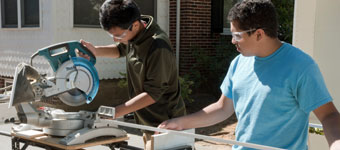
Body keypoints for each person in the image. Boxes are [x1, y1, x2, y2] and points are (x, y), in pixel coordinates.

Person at [158, 0, 340, 149]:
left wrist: (336, 144)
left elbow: (329, 116)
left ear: (259, 34)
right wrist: (181, 122)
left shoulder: (301, 67)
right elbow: (223, 108)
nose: (232, 40)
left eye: (237, 35)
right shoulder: (238, 63)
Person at [79, 0, 186, 149]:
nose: (117, 39)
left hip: (165, 124)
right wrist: (95, 51)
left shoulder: (158, 46)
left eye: (119, 35)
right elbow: (120, 50)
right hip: (147, 122)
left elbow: (152, 93)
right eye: (112, 36)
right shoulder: (134, 34)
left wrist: (116, 112)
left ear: (135, 24)